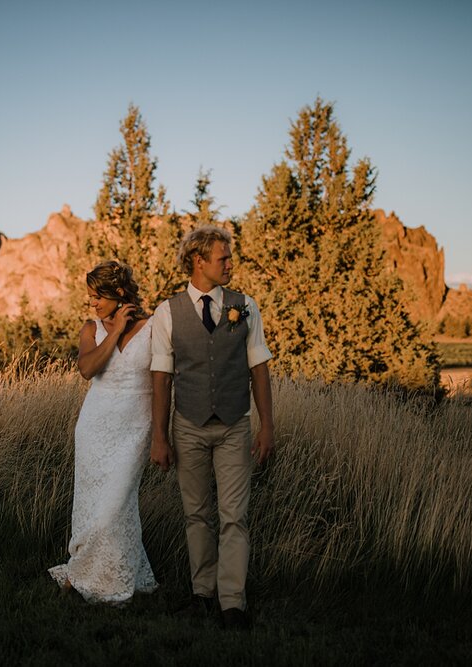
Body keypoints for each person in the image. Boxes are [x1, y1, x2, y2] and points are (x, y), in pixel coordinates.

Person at [149, 225, 275, 629]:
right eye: (223, 257)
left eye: (230, 256)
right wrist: (159, 437)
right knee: (197, 515)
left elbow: (259, 368)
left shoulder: (245, 306)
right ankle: (202, 595)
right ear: (198, 261)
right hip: (187, 425)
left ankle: (232, 603)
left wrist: (266, 426)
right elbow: (161, 378)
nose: (230, 264)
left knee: (234, 516)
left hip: (236, 425)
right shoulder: (167, 312)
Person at [48, 260, 158, 604]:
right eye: (90, 296)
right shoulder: (90, 328)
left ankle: (91, 573)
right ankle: (102, 574)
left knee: (116, 505)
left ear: (120, 293)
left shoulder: (154, 327)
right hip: (94, 426)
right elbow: (87, 369)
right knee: (94, 506)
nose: (92, 303)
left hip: (136, 427)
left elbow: (163, 380)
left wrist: (161, 432)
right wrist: (112, 332)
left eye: (98, 296)